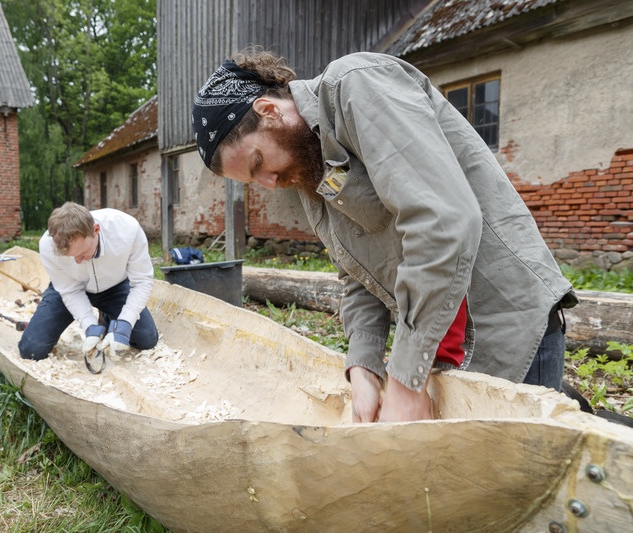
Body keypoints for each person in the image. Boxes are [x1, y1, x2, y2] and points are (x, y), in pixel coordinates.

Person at [192, 48, 578, 423]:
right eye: (253, 180)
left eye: (258, 163)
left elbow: (442, 221)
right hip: (442, 348)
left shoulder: (357, 85)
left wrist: (406, 378)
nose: (270, 183)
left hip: (505, 326)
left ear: (269, 111)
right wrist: (364, 363)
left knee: (513, 483)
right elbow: (357, 273)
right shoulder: (310, 168)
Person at [18, 202, 159, 364]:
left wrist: (125, 323)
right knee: (31, 350)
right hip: (71, 287)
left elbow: (142, 281)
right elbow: (69, 290)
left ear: (96, 230)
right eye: (71, 257)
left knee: (146, 339)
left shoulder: (128, 229)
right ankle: (99, 324)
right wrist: (89, 325)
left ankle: (107, 318)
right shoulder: (47, 244)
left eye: (83, 254)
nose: (78, 261)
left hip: (115, 286)